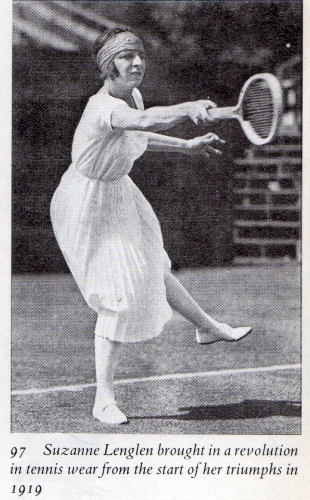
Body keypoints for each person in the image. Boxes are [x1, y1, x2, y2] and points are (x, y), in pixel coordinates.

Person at [50, 27, 251, 425]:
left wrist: (186, 144)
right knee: (118, 293)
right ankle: (103, 400)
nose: (137, 62)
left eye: (139, 54)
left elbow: (137, 135)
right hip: (85, 204)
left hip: (119, 192)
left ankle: (207, 327)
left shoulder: (132, 96)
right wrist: (187, 105)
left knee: (153, 267)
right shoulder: (102, 108)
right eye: (126, 57)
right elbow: (142, 120)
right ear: (109, 65)